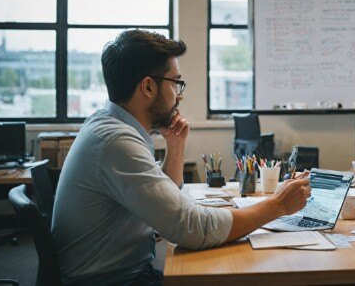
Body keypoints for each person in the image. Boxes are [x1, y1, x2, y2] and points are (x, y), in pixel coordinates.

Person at [51, 30, 311, 285]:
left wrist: (174, 146)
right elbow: (191, 229)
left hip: (122, 273)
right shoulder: (115, 142)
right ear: (148, 87)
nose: (179, 95)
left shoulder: (110, 126)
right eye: (175, 83)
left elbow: (164, 200)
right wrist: (278, 206)